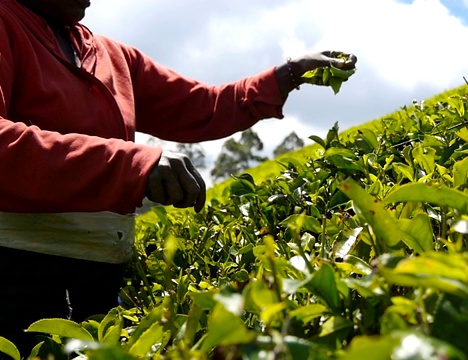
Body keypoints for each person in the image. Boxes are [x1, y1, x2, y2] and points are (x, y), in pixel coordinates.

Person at [0, 0, 357, 356]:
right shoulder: (7, 24)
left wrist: (291, 72)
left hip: (102, 277)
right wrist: (128, 165)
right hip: (16, 273)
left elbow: (202, 106)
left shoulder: (112, 56)